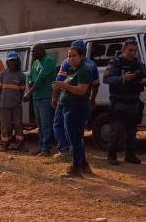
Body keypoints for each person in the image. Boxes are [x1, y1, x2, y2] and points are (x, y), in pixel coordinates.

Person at [52, 40, 99, 162]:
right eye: (69, 56)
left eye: (74, 55)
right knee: (75, 136)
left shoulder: (83, 69)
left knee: (72, 136)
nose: (71, 58)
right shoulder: (76, 68)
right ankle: (81, 164)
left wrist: (57, 93)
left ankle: (73, 162)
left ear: (81, 55)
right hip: (69, 106)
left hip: (75, 108)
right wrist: (93, 99)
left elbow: (81, 90)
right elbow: (95, 86)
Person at [103, 37, 146, 165]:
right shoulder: (115, 63)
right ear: (123, 49)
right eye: (130, 50)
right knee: (116, 131)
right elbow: (107, 79)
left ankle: (130, 155)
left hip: (134, 101)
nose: (133, 53)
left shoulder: (138, 64)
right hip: (118, 102)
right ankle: (112, 155)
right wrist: (123, 78)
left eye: (135, 50)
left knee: (132, 131)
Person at [24, 44, 56, 157]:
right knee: (40, 125)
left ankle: (46, 149)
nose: (32, 54)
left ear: (42, 50)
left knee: (46, 124)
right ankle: (42, 146)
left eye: (34, 52)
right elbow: (30, 76)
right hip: (37, 97)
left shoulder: (49, 61)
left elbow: (42, 77)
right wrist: (29, 82)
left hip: (46, 97)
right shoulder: (35, 63)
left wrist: (29, 92)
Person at [0, 53, 26, 151]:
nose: (12, 62)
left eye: (14, 60)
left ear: (17, 61)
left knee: (18, 125)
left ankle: (20, 145)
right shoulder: (2, 74)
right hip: (3, 105)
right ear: (8, 62)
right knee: (5, 126)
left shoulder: (21, 76)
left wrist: (17, 102)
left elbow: (21, 92)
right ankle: (4, 144)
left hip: (16, 105)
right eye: (10, 60)